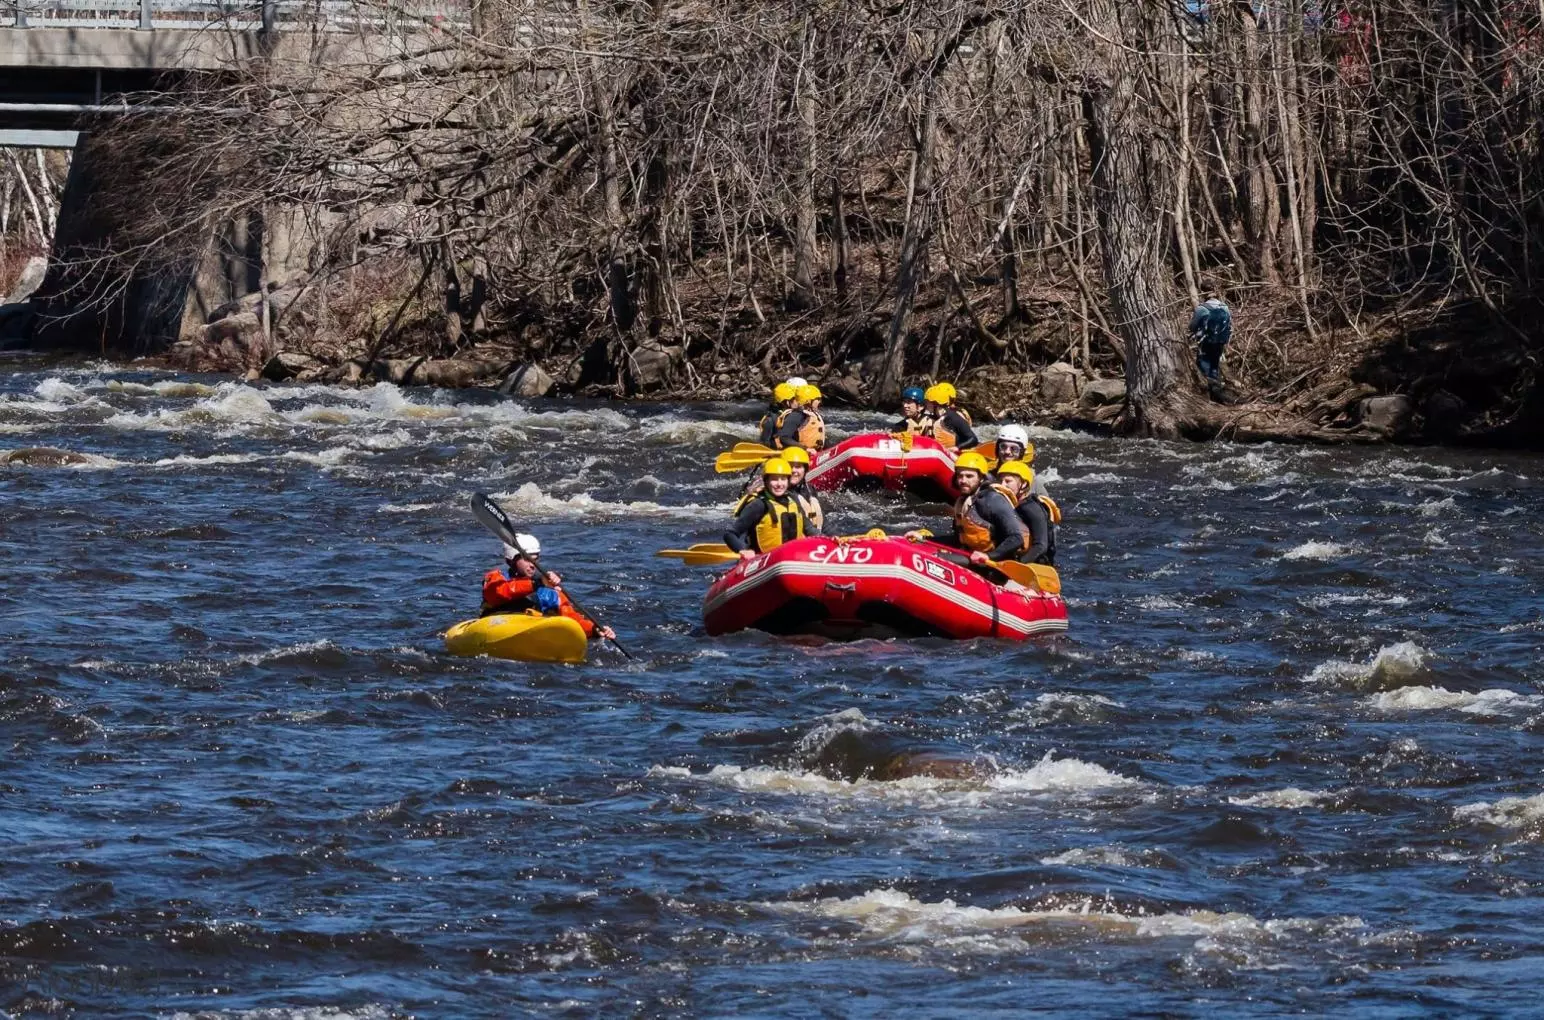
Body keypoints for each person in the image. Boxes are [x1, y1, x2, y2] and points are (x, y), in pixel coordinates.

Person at [480, 534, 616, 641]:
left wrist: (594, 629)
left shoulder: (548, 592)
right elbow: (498, 593)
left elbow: (572, 619)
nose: (532, 564)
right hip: (495, 626)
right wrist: (537, 583)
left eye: (536, 559)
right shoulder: (496, 578)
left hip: (528, 633)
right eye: (527, 559)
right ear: (510, 561)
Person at [904, 451, 1026, 567]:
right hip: (970, 555)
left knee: (933, 558)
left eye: (969, 476)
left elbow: (1016, 538)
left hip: (992, 563)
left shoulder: (993, 500)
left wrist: (989, 556)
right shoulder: (963, 503)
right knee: (920, 550)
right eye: (960, 476)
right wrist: (924, 539)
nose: (963, 481)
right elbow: (958, 539)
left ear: (981, 478)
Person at [725, 458, 810, 559]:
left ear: (788, 481)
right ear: (766, 481)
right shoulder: (758, 505)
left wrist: (825, 539)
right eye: (774, 479)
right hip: (764, 560)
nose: (779, 484)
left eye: (783, 479)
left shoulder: (793, 501)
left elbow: (808, 528)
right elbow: (730, 534)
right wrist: (743, 549)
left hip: (792, 557)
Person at [995, 460, 1059, 566]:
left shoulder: (1032, 509)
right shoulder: (1005, 504)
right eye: (1000, 481)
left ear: (1024, 484)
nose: (1002, 485)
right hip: (1011, 558)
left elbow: (1040, 546)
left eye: (1008, 481)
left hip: (1033, 563)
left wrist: (1017, 565)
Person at [1189, 297, 1232, 396]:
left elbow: (1192, 326)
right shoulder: (1225, 307)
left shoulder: (1201, 308)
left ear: (1206, 298)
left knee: (1204, 362)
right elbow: (1229, 324)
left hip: (1206, 340)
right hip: (1220, 340)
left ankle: (1207, 389)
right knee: (1214, 363)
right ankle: (1215, 385)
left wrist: (1196, 332)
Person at [923, 383, 978, 451]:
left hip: (960, 454)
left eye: (928, 402)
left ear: (935, 403)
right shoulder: (938, 417)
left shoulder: (952, 417)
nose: (926, 404)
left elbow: (973, 439)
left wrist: (957, 448)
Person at [781, 446, 824, 534]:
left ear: (805, 470)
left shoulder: (809, 489)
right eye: (790, 466)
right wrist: (827, 539)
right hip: (794, 540)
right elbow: (807, 527)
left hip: (813, 537)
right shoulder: (780, 494)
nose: (793, 470)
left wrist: (840, 538)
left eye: (798, 467)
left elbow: (824, 522)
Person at [774, 383, 826, 451]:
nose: (820, 401)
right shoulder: (796, 415)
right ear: (808, 401)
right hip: (801, 454)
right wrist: (806, 449)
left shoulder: (811, 414)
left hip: (814, 451)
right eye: (818, 399)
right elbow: (784, 437)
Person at [758, 381, 798, 447]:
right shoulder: (770, 420)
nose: (798, 401)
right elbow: (765, 442)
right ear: (787, 402)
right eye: (795, 399)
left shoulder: (794, 414)